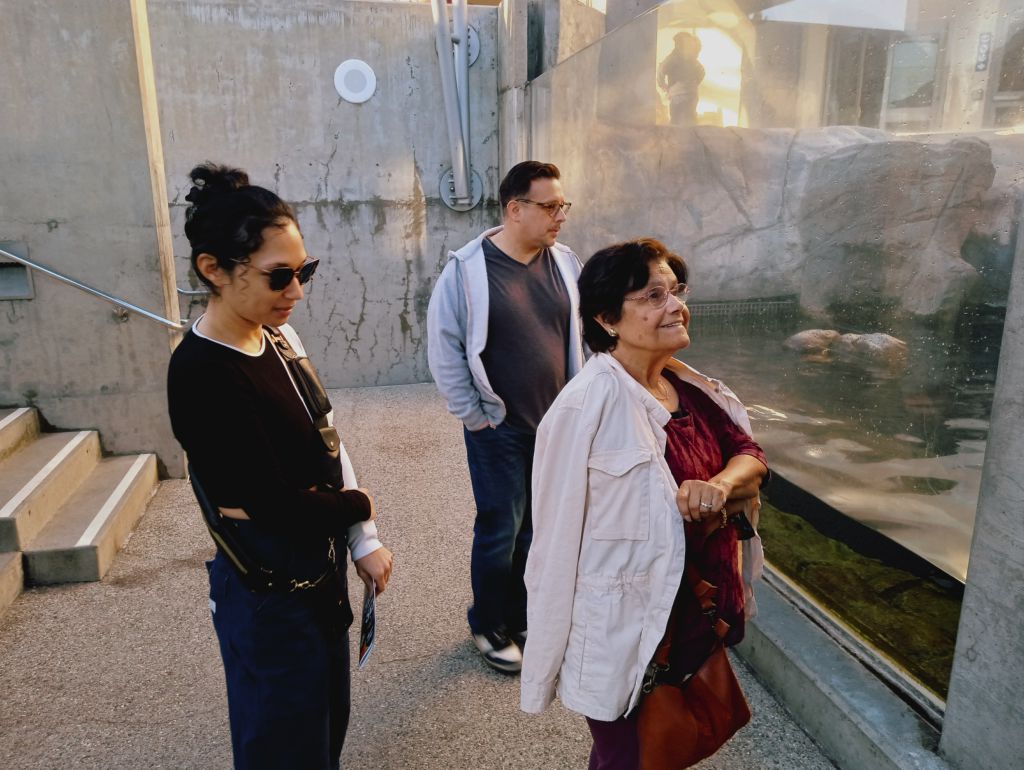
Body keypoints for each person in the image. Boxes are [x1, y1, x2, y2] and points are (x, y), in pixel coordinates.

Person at [166, 163, 394, 770]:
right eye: (280, 276)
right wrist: (357, 506)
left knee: (325, 731)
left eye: (304, 271)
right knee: (284, 746)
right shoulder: (203, 373)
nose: (297, 292)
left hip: (318, 573)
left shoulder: (276, 336)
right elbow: (270, 504)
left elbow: (327, 440)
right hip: (269, 592)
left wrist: (361, 536)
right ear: (213, 269)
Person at [520, 239, 768, 769]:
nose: (675, 306)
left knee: (660, 748)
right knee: (627, 755)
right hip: (627, 629)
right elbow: (554, 544)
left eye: (676, 291)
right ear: (607, 318)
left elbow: (750, 456)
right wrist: (544, 661)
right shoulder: (583, 408)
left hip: (696, 616)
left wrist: (720, 485)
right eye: (654, 296)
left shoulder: (691, 390)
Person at [426, 161, 585, 673]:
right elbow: (445, 349)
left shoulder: (566, 263)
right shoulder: (466, 270)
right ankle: (488, 624)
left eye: (563, 205)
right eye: (550, 206)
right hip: (500, 427)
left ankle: (520, 615)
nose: (560, 215)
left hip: (554, 426)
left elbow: (581, 338)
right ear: (515, 209)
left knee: (537, 529)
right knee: (501, 528)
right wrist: (474, 417)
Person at [657, 31, 705, 126]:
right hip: (691, 94)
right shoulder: (692, 58)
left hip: (677, 94)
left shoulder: (673, 57)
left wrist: (663, 86)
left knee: (676, 123)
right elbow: (702, 72)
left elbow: (661, 70)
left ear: (678, 43)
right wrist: (693, 84)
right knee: (690, 121)